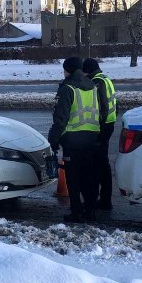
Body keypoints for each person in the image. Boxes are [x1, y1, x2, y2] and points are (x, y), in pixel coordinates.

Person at [47, 56, 105, 223]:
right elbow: (100, 111)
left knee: (73, 179)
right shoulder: (92, 86)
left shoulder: (67, 88)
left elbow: (60, 119)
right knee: (89, 176)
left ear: (68, 70)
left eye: (64, 69)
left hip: (73, 140)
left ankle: (76, 212)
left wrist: (53, 140)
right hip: (92, 137)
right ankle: (90, 210)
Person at [83, 58, 115, 210]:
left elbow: (101, 107)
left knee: (97, 165)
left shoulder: (96, 82)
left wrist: (97, 127)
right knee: (104, 164)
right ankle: (105, 198)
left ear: (87, 70)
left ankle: (101, 200)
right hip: (110, 124)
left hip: (102, 128)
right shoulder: (105, 78)